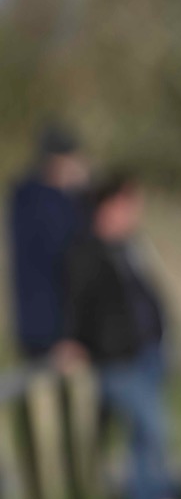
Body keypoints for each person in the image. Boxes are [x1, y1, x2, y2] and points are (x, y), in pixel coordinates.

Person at [59, 171, 181, 499]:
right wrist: (72, 342)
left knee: (147, 434)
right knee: (153, 429)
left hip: (147, 354)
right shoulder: (86, 252)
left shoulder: (132, 249)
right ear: (108, 207)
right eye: (129, 203)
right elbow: (76, 304)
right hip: (117, 360)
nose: (136, 211)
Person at [7, 123, 89, 359]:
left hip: (34, 325)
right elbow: (69, 258)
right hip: (55, 330)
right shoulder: (51, 207)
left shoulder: (25, 198)